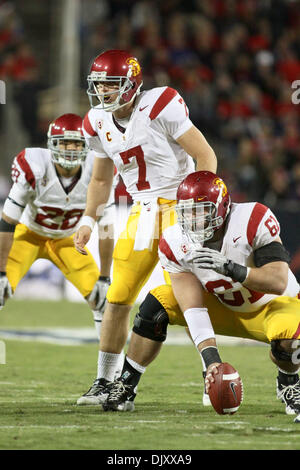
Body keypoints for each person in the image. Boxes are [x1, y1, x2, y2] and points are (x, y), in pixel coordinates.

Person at [74, 49, 217, 405]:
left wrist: (200, 210)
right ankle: (105, 381)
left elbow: (206, 156)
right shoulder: (96, 121)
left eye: (111, 84)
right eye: (99, 85)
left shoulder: (159, 104)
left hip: (180, 208)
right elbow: (100, 181)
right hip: (143, 211)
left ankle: (209, 372)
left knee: (185, 298)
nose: (103, 92)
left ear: (131, 83)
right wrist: (89, 219)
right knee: (118, 295)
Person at [103, 171, 300, 422]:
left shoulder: (252, 219)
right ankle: (126, 384)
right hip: (225, 308)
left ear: (223, 207)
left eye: (202, 210)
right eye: (187, 211)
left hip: (273, 306)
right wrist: (211, 360)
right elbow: (192, 308)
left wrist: (231, 268)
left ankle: (290, 383)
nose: (194, 219)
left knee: (290, 344)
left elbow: (277, 281)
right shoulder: (175, 240)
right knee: (158, 302)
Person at [0, 113, 124, 378]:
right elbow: (8, 221)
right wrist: (0, 272)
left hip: (69, 239)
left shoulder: (98, 169)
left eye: (77, 144)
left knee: (104, 300)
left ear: (86, 146)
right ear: (51, 144)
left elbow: (106, 228)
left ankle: (110, 378)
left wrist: (104, 276)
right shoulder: (33, 165)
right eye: (64, 143)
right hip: (29, 234)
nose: (70, 149)